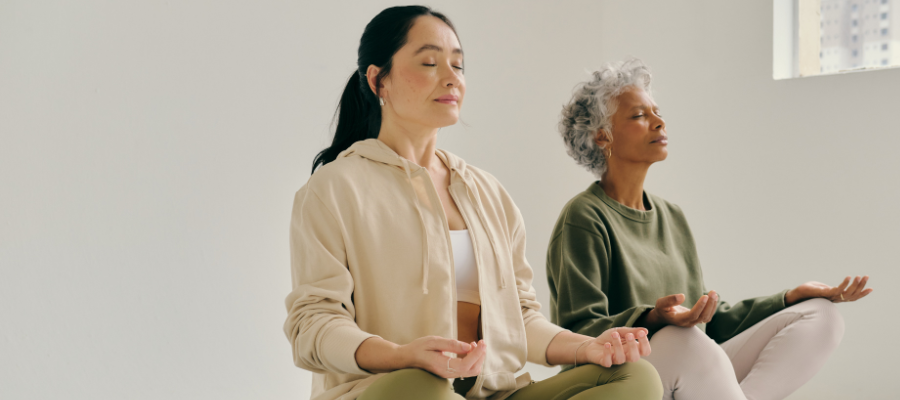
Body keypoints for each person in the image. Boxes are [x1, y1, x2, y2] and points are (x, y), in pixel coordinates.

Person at [284, 7, 662, 400]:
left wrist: (586, 347)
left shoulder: (487, 192)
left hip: (496, 393)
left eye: (458, 65)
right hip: (394, 390)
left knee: (634, 377)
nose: (451, 78)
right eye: (430, 62)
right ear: (379, 80)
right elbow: (313, 324)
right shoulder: (333, 189)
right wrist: (400, 356)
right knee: (420, 384)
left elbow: (522, 318)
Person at [547, 58, 873, 400]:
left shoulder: (672, 216)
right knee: (681, 339)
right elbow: (579, 331)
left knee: (821, 316)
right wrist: (653, 318)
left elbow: (709, 324)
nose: (659, 122)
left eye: (657, 112)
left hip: (693, 366)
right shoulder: (583, 217)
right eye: (640, 115)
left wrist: (790, 297)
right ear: (603, 136)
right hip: (623, 378)